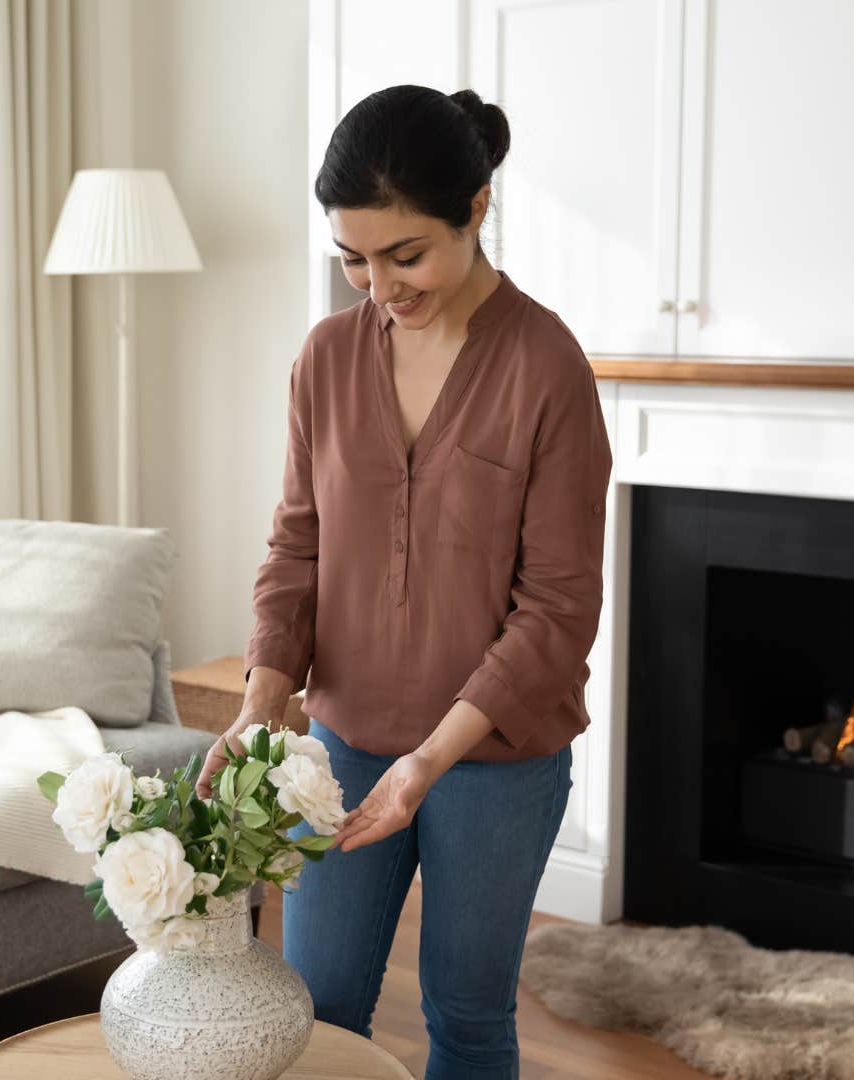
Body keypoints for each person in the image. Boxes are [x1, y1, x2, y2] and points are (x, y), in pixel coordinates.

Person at [192, 85, 614, 1079]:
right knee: (318, 1014)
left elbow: (560, 607)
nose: (377, 287)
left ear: (475, 208)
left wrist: (429, 759)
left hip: (495, 760)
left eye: (405, 254)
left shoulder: (547, 366)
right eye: (353, 260)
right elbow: (297, 545)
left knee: (466, 1018)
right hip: (338, 745)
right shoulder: (326, 360)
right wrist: (262, 703)